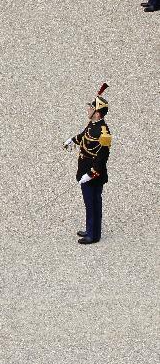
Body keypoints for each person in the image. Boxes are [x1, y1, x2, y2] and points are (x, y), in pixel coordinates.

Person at [63, 84, 112, 245]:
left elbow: (102, 158)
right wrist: (72, 140)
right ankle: (90, 228)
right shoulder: (92, 125)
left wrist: (90, 174)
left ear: (97, 113)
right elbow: (84, 135)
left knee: (93, 204)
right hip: (84, 169)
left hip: (93, 174)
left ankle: (94, 235)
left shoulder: (103, 132)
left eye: (91, 107)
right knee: (88, 203)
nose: (88, 109)